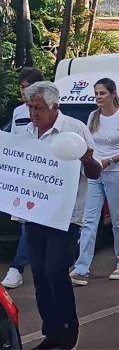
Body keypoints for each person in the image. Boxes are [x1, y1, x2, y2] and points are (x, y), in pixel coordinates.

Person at [23, 81, 102, 350]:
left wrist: (87, 160)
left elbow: (95, 172)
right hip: (34, 214)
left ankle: (69, 330)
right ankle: (52, 332)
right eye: (30, 106)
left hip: (66, 216)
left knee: (56, 271)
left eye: (39, 108)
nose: (34, 113)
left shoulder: (75, 130)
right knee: (40, 275)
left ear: (54, 106)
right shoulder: (25, 132)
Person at [70, 78, 119, 286]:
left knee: (118, 219)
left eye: (102, 93)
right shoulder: (93, 116)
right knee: (89, 220)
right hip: (96, 173)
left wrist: (111, 160)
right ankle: (81, 267)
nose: (99, 97)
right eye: (97, 93)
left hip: (116, 173)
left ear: (112, 94)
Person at [1, 67, 45, 290]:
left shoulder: (48, 112)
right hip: (20, 174)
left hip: (39, 175)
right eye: (21, 87)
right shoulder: (19, 112)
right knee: (24, 224)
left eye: (26, 87)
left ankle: (16, 268)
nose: (23, 91)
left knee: (29, 224)